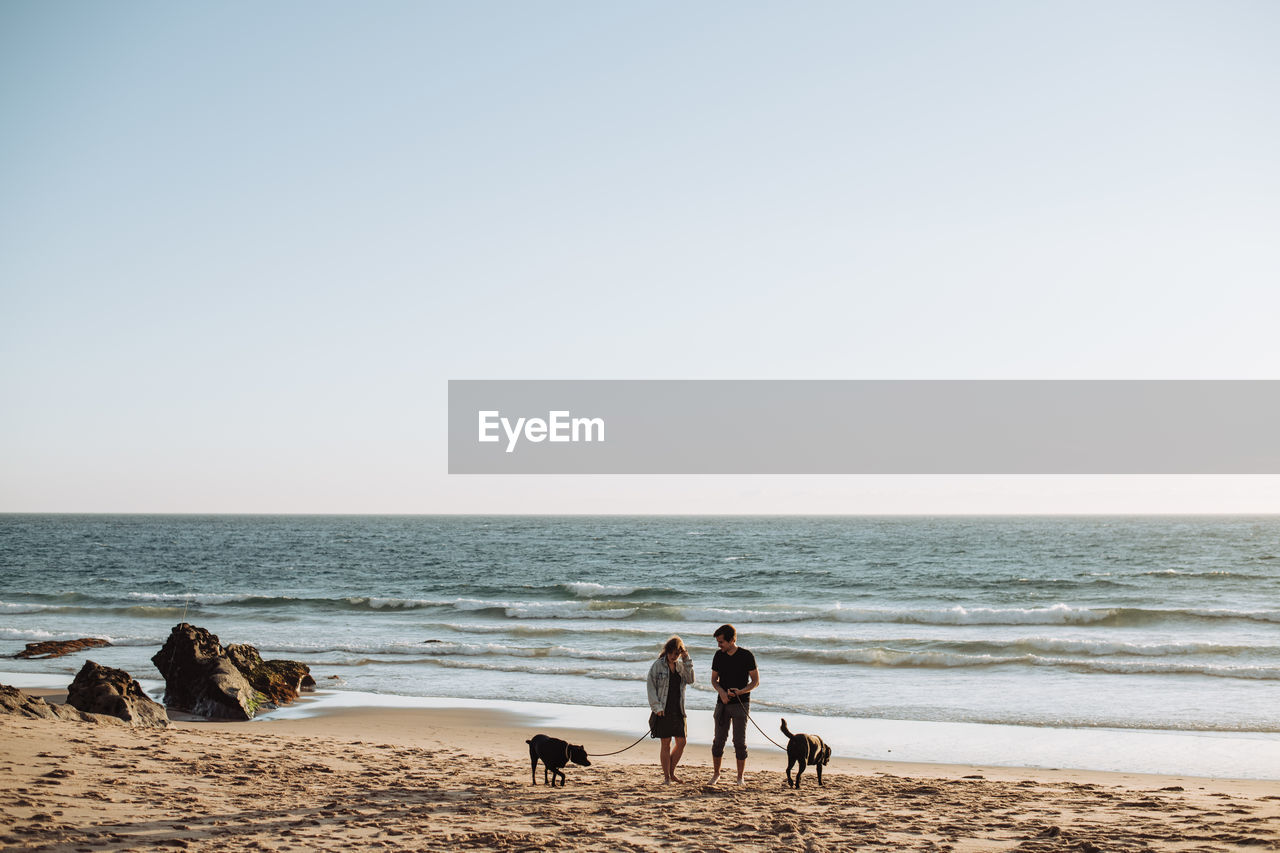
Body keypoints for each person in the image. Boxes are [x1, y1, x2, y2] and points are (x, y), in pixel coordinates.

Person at [709, 623, 758, 786]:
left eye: (721, 642)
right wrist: (722, 693)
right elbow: (714, 680)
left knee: (739, 742)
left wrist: (740, 692)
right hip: (722, 703)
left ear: (732, 640)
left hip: (740, 703)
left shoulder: (746, 655)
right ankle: (716, 774)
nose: (719, 645)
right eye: (718, 642)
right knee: (718, 741)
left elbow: (755, 682)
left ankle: (740, 777)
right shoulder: (718, 655)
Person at [646, 635, 694, 784]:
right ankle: (667, 777)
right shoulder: (657, 665)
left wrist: (687, 659)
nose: (674, 656)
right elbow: (650, 687)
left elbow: (691, 680)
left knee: (681, 742)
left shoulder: (680, 666)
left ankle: (671, 772)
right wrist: (656, 707)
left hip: (678, 709)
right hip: (663, 710)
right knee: (665, 743)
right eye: (672, 653)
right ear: (667, 651)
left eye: (677, 654)